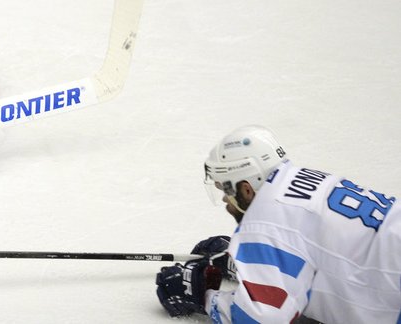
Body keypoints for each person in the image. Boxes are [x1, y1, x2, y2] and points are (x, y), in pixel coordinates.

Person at [155, 125, 401, 323]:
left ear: (247, 188)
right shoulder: (303, 178)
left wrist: (203, 295)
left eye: (225, 188)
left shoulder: (267, 220)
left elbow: (262, 318)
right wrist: (246, 262)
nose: (224, 200)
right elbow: (317, 253)